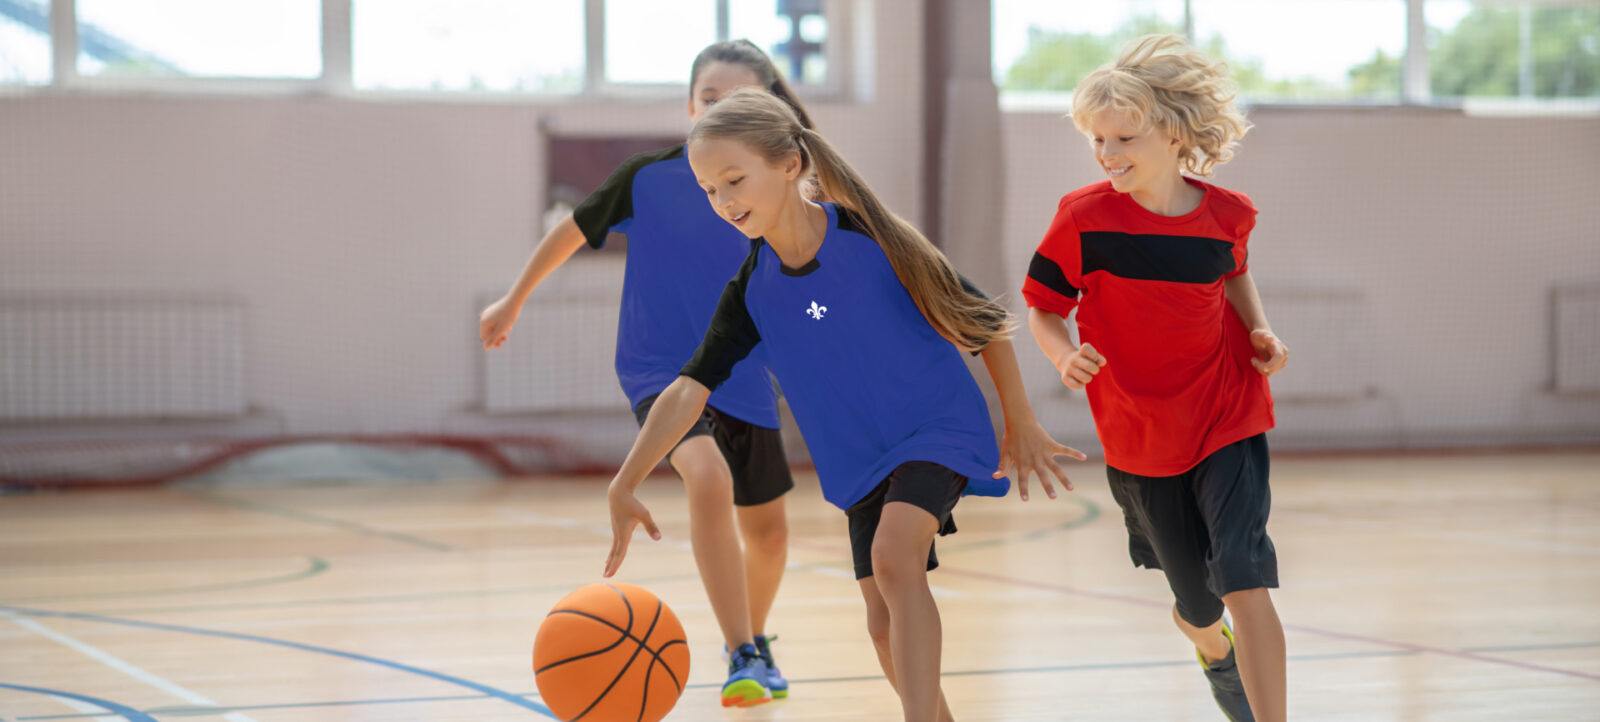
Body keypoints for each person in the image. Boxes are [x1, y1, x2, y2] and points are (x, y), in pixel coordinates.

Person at [601, 87, 1086, 722]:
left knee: (894, 558)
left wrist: (1020, 419)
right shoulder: (752, 289)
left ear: (790, 164)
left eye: (734, 180)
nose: (722, 201)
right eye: (709, 190)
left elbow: (985, 322)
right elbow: (689, 389)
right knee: (882, 625)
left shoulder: (873, 238)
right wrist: (626, 479)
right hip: (858, 463)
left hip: (934, 427)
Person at [478, 41, 812, 708]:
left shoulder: (779, 193)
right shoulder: (647, 179)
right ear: (691, 107)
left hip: (745, 374)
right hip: (660, 368)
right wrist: (514, 297)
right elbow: (570, 232)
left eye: (741, 101)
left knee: (770, 534)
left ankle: (752, 638)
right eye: (711, 99)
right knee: (708, 476)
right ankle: (743, 649)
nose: (721, 109)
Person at [1021, 34, 1291, 722]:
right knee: (1199, 605)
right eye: (1097, 141)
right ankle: (1209, 647)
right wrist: (1061, 356)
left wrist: (1260, 330)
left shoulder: (1226, 214)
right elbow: (1044, 309)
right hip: (1139, 435)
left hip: (1226, 413)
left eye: (1123, 138)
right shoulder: (1083, 219)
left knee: (1244, 577)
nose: (1107, 155)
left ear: (1172, 134)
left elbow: (1233, 271)